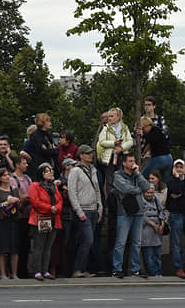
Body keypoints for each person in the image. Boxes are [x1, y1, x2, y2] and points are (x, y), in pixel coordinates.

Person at [112, 153, 151, 278]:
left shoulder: (136, 175)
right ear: (124, 163)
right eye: (130, 161)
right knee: (121, 242)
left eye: (134, 161)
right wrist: (138, 190)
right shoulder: (118, 175)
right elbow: (125, 189)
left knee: (136, 242)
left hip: (138, 212)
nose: (133, 163)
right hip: (125, 212)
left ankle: (135, 269)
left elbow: (146, 187)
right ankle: (117, 268)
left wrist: (138, 174)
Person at [67, 144, 102, 278]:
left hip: (93, 209)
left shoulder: (93, 169)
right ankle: (78, 268)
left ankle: (81, 268)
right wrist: (78, 210)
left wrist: (100, 207)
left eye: (91, 153)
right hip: (83, 210)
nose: (90, 155)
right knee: (88, 240)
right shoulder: (75, 171)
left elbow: (97, 189)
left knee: (86, 241)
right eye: (87, 153)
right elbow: (72, 191)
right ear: (81, 155)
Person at [29, 163, 63, 280]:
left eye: (51, 170)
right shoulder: (35, 186)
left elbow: (60, 200)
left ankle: (45, 270)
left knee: (48, 246)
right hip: (41, 218)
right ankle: (37, 270)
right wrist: (49, 208)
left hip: (53, 218)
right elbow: (35, 201)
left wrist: (56, 208)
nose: (51, 172)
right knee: (39, 246)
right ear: (41, 173)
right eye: (47, 171)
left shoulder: (54, 186)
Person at [0, 168, 21, 279]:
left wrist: (17, 201)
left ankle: (14, 273)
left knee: (14, 248)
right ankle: (2, 273)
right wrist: (6, 203)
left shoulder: (14, 190)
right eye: (4, 175)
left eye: (8, 175)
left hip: (13, 220)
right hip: (0, 220)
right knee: (1, 248)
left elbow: (19, 206)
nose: (7, 177)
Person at [98, 108, 134, 191]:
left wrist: (121, 148)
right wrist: (114, 143)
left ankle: (122, 200)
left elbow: (130, 142)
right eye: (109, 116)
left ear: (118, 117)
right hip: (110, 157)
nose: (109, 118)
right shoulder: (106, 128)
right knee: (110, 180)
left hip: (122, 156)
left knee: (122, 178)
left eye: (112, 116)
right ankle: (110, 201)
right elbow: (102, 142)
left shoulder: (125, 128)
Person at [8, 155, 33, 279]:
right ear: (17, 165)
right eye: (24, 163)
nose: (26, 165)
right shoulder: (12, 179)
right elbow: (17, 196)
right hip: (18, 216)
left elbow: (32, 194)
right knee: (16, 243)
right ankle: (14, 271)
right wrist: (24, 198)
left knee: (26, 244)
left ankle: (24, 270)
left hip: (29, 216)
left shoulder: (28, 179)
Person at [140, 185, 166, 276]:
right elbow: (142, 215)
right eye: (148, 193)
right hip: (146, 229)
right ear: (143, 192)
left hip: (157, 230)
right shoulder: (140, 200)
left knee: (157, 254)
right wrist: (153, 224)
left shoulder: (156, 199)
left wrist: (162, 223)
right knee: (149, 255)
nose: (149, 195)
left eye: (151, 192)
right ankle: (153, 273)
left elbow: (161, 211)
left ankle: (159, 272)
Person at [139, 117, 173, 184]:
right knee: (164, 182)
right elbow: (149, 145)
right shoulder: (158, 130)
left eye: (143, 128)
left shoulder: (153, 132)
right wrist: (143, 154)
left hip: (160, 159)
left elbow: (151, 140)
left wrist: (143, 135)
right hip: (169, 158)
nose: (143, 130)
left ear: (148, 126)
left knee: (142, 177)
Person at [25, 113, 59, 178]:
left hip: (50, 165)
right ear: (43, 122)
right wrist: (53, 150)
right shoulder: (36, 136)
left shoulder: (48, 135)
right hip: (39, 168)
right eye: (48, 121)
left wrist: (52, 150)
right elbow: (43, 151)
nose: (50, 123)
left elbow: (54, 150)